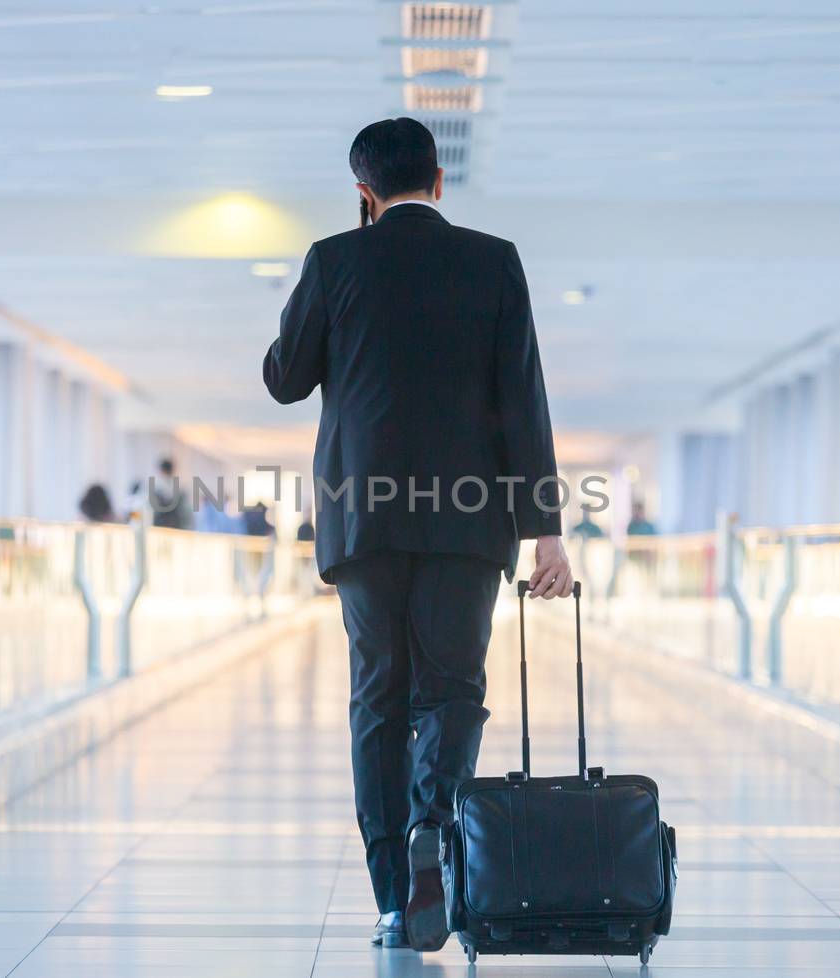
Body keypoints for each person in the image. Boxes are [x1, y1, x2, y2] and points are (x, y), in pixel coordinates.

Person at [263, 117, 572, 953]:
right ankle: (436, 827)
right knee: (453, 689)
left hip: (363, 518)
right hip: (471, 520)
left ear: (363, 194)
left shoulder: (335, 259)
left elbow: (285, 379)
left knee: (378, 695)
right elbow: (523, 401)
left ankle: (395, 895)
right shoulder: (494, 260)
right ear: (440, 182)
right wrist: (546, 531)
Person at [148, 457, 193, 530]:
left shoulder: (156, 488)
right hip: (177, 527)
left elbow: (151, 511)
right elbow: (186, 512)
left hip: (160, 527)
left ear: (161, 470)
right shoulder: (180, 487)